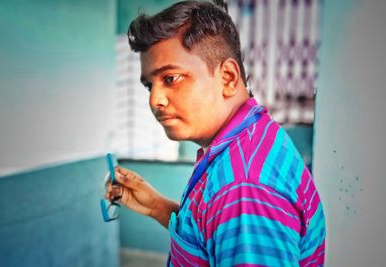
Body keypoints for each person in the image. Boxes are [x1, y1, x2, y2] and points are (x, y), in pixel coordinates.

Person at [106, 1, 326, 266]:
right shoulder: (249, 136)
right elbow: (210, 237)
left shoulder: (244, 188)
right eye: (149, 85)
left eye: (170, 78)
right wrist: (155, 205)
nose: (155, 100)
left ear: (228, 77)